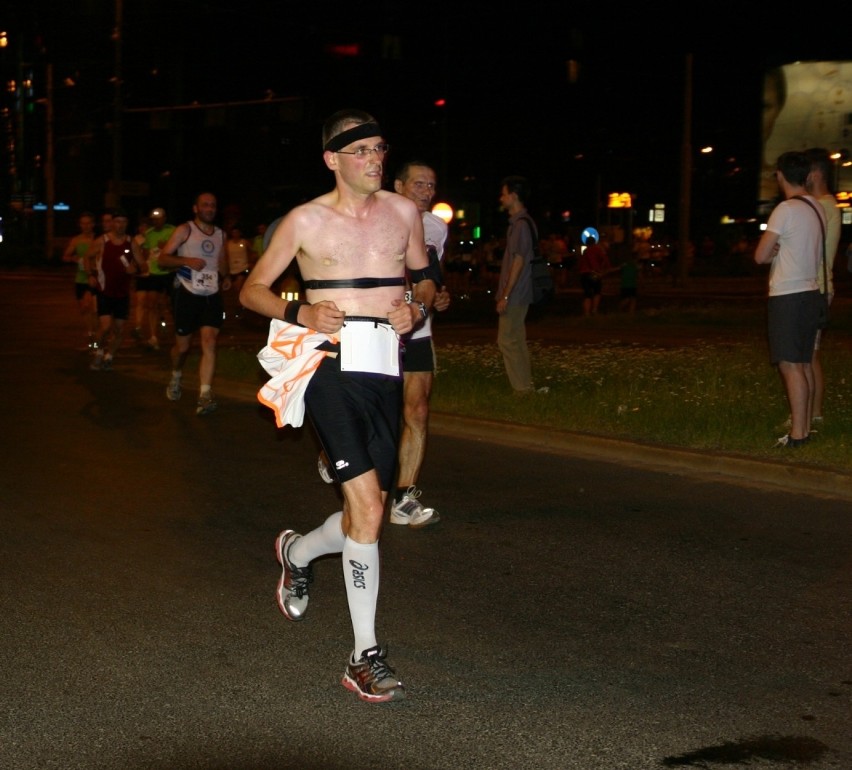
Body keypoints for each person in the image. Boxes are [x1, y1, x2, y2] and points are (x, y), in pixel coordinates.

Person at [239, 109, 437, 703]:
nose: (376, 160)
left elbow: (424, 282)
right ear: (333, 159)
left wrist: (417, 310)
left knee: (366, 510)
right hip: (327, 364)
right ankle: (364, 655)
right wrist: (300, 313)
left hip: (383, 363)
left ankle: (297, 550)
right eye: (363, 152)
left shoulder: (405, 214)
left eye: (380, 149)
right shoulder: (304, 220)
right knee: (370, 512)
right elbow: (251, 290)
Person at [754, 151, 824, 448]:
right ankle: (805, 428)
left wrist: (774, 252)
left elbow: (760, 255)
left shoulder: (785, 209)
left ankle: (798, 435)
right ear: (808, 176)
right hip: (811, 293)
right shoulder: (816, 208)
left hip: (788, 295)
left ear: (780, 175)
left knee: (790, 365)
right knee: (804, 362)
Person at [158, 192, 230, 416]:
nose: (210, 208)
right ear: (196, 208)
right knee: (183, 347)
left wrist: (225, 277)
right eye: (205, 205)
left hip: (211, 294)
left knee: (209, 341)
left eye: (213, 205)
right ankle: (176, 375)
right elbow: (162, 259)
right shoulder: (185, 230)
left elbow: (221, 262)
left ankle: (205, 394)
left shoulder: (221, 234)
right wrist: (186, 261)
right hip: (187, 293)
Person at [495, 175, 545, 396]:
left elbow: (518, 260)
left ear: (513, 196)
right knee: (517, 339)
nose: (501, 198)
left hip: (517, 292)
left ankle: (521, 388)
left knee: (507, 340)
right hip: (521, 291)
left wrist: (505, 295)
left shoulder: (521, 225)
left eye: (504, 193)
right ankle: (525, 385)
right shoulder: (522, 223)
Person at [804, 148, 841, 428]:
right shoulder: (824, 205)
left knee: (808, 354)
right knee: (807, 353)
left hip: (815, 286)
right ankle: (810, 413)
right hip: (814, 285)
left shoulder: (824, 207)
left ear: (814, 174)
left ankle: (813, 414)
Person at [86, 208, 141, 371]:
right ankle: (98, 351)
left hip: (122, 293)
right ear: (112, 223)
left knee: (118, 329)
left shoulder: (131, 242)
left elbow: (143, 264)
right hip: (104, 291)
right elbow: (87, 257)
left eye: (123, 222)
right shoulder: (102, 240)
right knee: (105, 327)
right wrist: (90, 275)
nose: (120, 225)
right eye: (117, 221)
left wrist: (135, 268)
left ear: (127, 224)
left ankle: (109, 356)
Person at [134, 208, 176, 351]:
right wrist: (142, 264)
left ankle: (177, 333)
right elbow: (146, 253)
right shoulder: (149, 234)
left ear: (164, 218)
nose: (156, 221)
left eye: (159, 218)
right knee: (151, 304)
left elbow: (181, 248)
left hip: (170, 273)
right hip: (154, 273)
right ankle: (153, 336)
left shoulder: (173, 231)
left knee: (171, 305)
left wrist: (168, 249)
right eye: (154, 219)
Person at [61, 211, 99, 349]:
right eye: (83, 223)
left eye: (89, 223)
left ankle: (95, 336)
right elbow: (65, 256)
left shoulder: (98, 239)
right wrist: (74, 258)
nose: (86, 226)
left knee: (91, 306)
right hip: (80, 278)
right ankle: (91, 333)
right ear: (80, 225)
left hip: (94, 278)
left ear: (93, 224)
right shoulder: (76, 240)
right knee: (84, 309)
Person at [578, 235, 612, 317]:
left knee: (587, 294)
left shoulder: (585, 251)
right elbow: (605, 260)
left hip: (584, 274)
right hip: (594, 273)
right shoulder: (597, 250)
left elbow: (580, 264)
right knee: (597, 292)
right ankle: (594, 310)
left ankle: (586, 313)